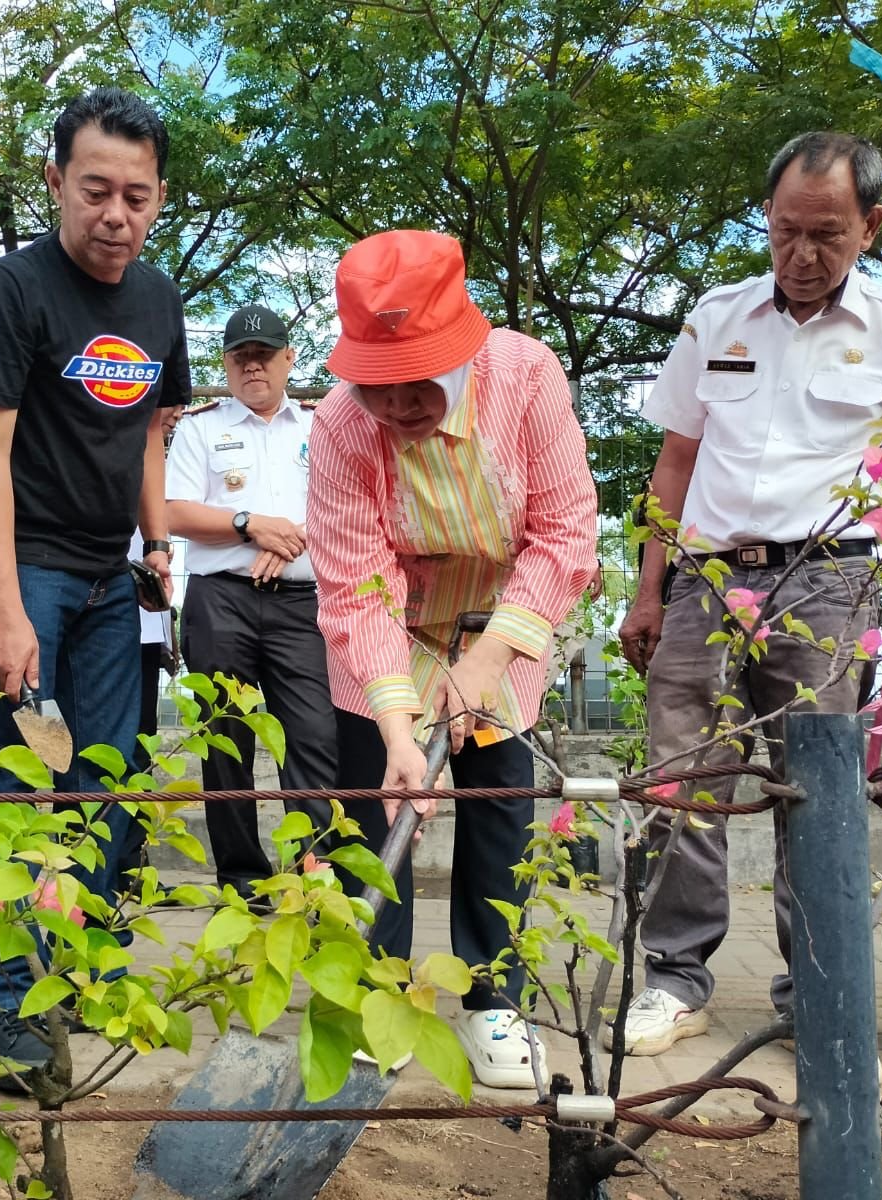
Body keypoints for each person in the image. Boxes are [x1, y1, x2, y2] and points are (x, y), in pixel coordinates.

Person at [611, 131, 882, 1056]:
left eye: (827, 235)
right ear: (767, 218)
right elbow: (674, 460)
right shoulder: (716, 317)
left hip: (829, 582)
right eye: (786, 231)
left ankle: (819, 988)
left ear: (870, 227)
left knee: (816, 784)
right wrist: (650, 589)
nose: (802, 255)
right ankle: (677, 978)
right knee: (685, 779)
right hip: (708, 581)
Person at [308, 230, 598, 1088]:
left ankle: (492, 1001)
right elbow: (358, 585)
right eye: (377, 385)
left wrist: (487, 663)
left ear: (463, 347)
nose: (394, 406)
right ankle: (378, 996)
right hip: (391, 623)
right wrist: (399, 727)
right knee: (379, 807)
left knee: (497, 810)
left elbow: (564, 530)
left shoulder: (526, 377)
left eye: (416, 382)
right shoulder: (338, 425)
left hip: (506, 615)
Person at [0, 85, 191, 1087]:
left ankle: (72, 977)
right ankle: (4, 1009)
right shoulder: (13, 289)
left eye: (136, 196)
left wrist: (159, 543)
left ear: (159, 198)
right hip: (24, 572)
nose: (115, 215)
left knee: (104, 785)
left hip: (107, 581)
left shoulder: (159, 299)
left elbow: (146, 439)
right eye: (95, 190)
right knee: (13, 784)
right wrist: (3, 607)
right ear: (56, 182)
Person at [167, 305, 337, 895]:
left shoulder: (324, 425)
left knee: (313, 741)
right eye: (240, 356)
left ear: (289, 358)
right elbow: (174, 512)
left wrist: (291, 539)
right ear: (227, 364)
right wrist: (250, 524)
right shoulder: (199, 428)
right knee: (226, 746)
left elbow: (350, 503)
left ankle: (310, 880)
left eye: (263, 355)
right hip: (222, 604)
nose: (252, 366)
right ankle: (240, 882)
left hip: (302, 604)